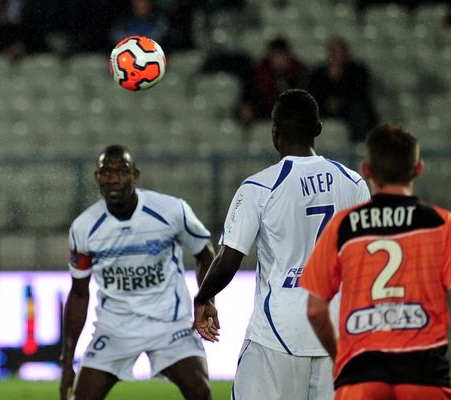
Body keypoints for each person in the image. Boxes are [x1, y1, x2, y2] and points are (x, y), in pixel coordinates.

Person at [193, 89, 371, 400]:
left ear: (274, 132)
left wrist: (203, 297)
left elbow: (228, 260)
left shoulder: (259, 187)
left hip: (276, 335)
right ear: (318, 129)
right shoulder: (354, 183)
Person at [300, 123, 451, 400]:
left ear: (366, 170)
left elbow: (315, 310)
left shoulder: (343, 226)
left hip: (361, 374)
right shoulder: (442, 224)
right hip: (424, 373)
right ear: (418, 169)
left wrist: (340, 359)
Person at [60, 144, 215, 400]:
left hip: (170, 323)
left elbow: (205, 253)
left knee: (200, 389)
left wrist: (207, 298)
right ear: (97, 177)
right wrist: (67, 363)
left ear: (135, 175)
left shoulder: (171, 210)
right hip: (115, 328)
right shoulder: (84, 228)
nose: (113, 179)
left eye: (121, 171)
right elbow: (78, 294)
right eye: (106, 172)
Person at [308, 36, 378, 142]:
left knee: (358, 112)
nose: (337, 56)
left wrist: (341, 102)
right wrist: (328, 102)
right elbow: (314, 92)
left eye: (340, 52)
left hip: (349, 106)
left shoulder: (357, 71)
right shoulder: (319, 73)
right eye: (334, 52)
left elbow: (359, 92)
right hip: (324, 107)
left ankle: (357, 144)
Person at [236, 37, 308, 127]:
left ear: (287, 56)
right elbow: (249, 94)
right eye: (275, 56)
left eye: (280, 55)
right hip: (265, 112)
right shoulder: (259, 73)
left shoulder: (299, 72)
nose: (278, 59)